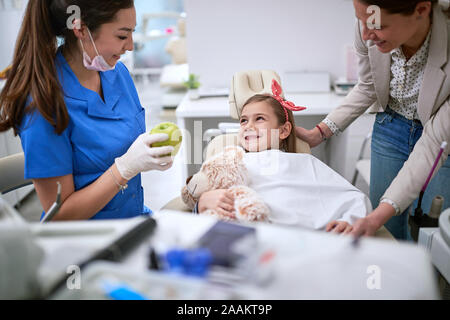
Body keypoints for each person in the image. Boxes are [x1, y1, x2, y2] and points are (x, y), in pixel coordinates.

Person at [0, 0, 174, 221]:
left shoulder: (117, 73)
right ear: (81, 29)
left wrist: (149, 154)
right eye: (122, 36)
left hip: (132, 222)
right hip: (86, 240)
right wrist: (124, 168)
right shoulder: (42, 105)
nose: (130, 45)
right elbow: (59, 216)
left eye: (132, 33)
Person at [295, 0, 450, 240]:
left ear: (421, 10)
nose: (366, 35)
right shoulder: (368, 28)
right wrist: (320, 131)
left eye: (377, 25)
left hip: (441, 143)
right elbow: (368, 86)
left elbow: (432, 142)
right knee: (388, 230)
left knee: (430, 232)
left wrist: (374, 218)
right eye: (361, 21)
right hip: (391, 126)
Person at [195, 80, 370, 234]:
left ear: (284, 130)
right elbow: (198, 193)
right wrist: (201, 202)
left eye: (260, 119)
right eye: (243, 120)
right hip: (245, 237)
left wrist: (348, 221)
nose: (248, 126)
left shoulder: (304, 163)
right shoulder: (230, 162)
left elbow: (355, 199)